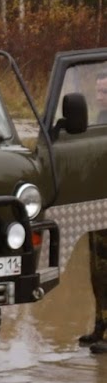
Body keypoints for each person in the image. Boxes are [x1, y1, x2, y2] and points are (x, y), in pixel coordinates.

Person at [79, 73, 107, 354]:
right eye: (98, 91)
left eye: (105, 92)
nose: (100, 97)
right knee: (98, 272)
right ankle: (101, 325)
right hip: (99, 209)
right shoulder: (100, 118)